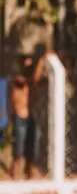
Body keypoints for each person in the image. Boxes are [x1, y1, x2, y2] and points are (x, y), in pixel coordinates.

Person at [8, 52, 48, 180]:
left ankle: (29, 170)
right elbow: (30, 80)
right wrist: (42, 61)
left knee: (33, 145)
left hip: (32, 117)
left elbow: (37, 79)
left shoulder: (34, 81)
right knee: (18, 146)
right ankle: (14, 171)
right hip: (20, 116)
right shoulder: (18, 79)